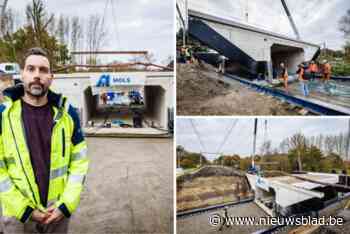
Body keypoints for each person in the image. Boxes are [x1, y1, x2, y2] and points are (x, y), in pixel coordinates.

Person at [0, 47, 89, 233]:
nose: (37, 75)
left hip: (56, 212)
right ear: (22, 74)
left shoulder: (67, 114)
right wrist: (24, 209)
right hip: (18, 214)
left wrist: (65, 205)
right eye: (31, 69)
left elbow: (79, 163)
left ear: (51, 77)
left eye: (43, 70)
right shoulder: (3, 116)